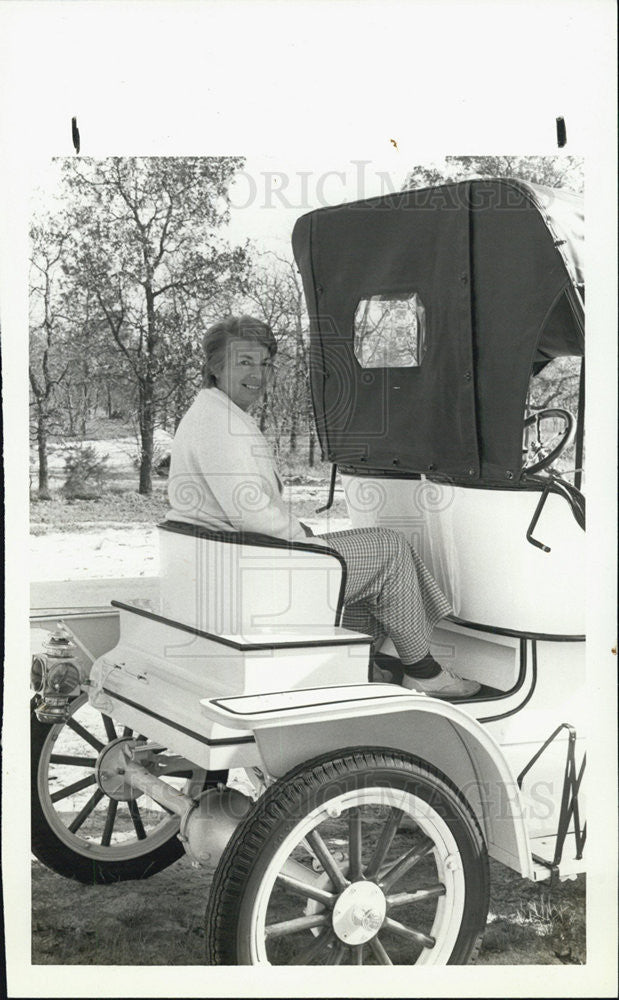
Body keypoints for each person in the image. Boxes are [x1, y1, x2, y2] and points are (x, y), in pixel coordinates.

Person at [167, 315, 480, 699]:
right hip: (253, 570)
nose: (258, 374)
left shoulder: (211, 413)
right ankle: (424, 672)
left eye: (264, 363)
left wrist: (304, 535)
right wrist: (305, 540)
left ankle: (361, 668)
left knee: (370, 558)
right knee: (391, 551)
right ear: (215, 367)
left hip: (232, 559)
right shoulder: (220, 424)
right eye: (244, 362)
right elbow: (250, 510)